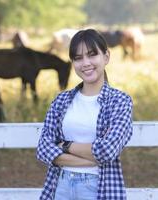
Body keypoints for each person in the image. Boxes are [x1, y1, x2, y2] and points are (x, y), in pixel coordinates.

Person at [36, 29, 133, 200]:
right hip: (60, 186)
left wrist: (64, 145)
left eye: (92, 55)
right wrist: (91, 160)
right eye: (78, 58)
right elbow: (43, 149)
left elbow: (107, 150)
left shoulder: (120, 101)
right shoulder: (61, 101)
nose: (85, 63)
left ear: (106, 57)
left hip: (98, 187)